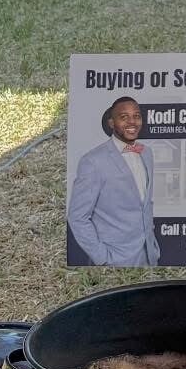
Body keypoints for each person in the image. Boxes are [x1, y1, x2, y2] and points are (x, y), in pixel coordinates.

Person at [67, 96, 161, 266]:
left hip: (148, 257)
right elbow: (77, 217)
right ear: (111, 123)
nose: (132, 122)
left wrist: (152, 248)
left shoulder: (147, 153)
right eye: (124, 117)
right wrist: (102, 257)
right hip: (114, 260)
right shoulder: (93, 161)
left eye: (136, 116)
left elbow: (145, 204)